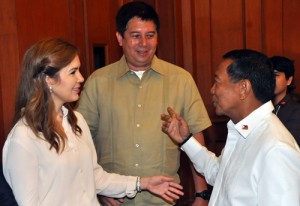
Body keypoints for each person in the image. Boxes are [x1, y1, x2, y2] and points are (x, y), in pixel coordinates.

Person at [2, 37, 184, 206]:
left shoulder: (77, 121)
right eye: (73, 72)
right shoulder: (23, 137)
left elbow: (95, 177)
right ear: (49, 79)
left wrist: (143, 183)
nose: (81, 78)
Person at [76, 1, 211, 205]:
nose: (144, 44)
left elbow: (196, 140)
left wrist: (201, 195)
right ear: (120, 38)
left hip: (164, 201)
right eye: (135, 35)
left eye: (150, 35)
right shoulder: (98, 82)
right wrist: (98, 187)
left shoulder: (181, 80)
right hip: (114, 200)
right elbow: (80, 144)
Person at [161, 49, 300, 206]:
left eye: (217, 82)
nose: (212, 90)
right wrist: (186, 140)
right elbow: (219, 174)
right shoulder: (244, 131)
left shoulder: (276, 149)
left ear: (243, 88)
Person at [270, 56, 300, 145]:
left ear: (289, 80)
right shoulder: (259, 105)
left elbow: (287, 145)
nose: (270, 79)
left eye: (275, 75)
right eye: (268, 75)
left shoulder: (296, 110)